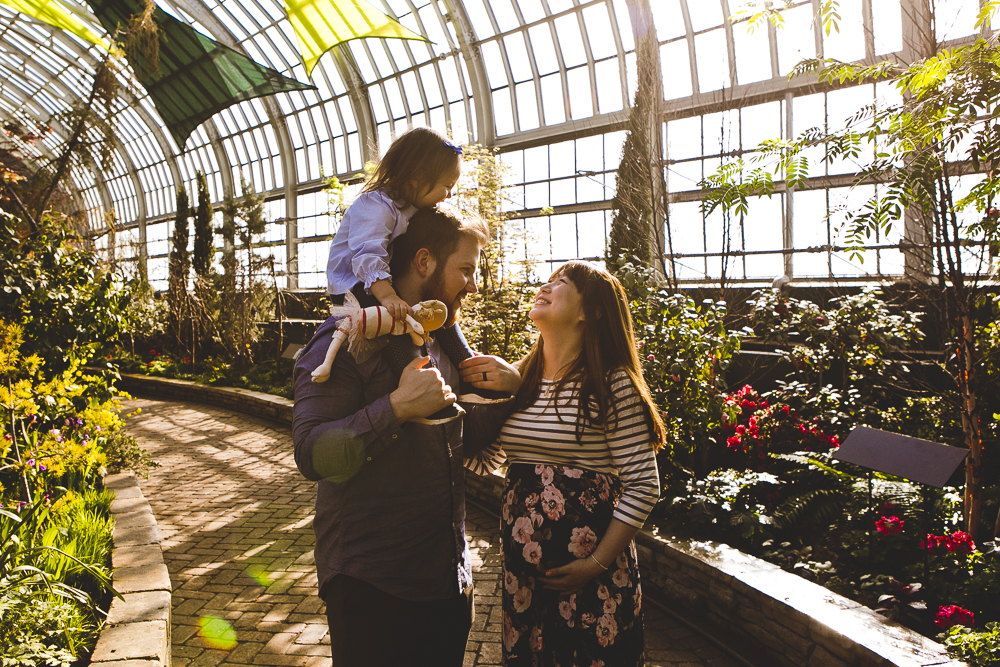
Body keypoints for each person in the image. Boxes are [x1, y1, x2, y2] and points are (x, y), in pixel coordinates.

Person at [294, 206, 521, 667]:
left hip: (447, 580)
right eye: (465, 270)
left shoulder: (441, 342)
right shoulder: (345, 338)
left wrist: (517, 387)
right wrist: (396, 408)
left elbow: (465, 439)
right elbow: (312, 453)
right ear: (423, 262)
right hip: (372, 583)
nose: (473, 285)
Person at [467, 260, 666, 666]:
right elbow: (488, 461)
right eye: (548, 278)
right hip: (524, 586)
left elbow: (644, 484)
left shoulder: (611, 383)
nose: (546, 284)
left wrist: (594, 564)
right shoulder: (520, 380)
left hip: (595, 585)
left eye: (561, 283)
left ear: (587, 312)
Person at [325, 127, 504, 418]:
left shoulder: (408, 206)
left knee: (442, 316)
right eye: (447, 186)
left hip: (382, 283)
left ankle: (473, 377)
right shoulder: (376, 207)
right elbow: (368, 255)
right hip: (358, 287)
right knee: (396, 328)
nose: (450, 194)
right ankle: (426, 393)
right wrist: (388, 296)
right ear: (418, 179)